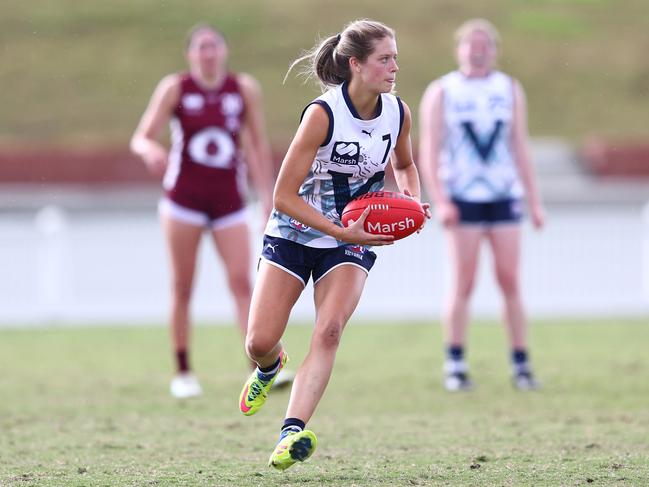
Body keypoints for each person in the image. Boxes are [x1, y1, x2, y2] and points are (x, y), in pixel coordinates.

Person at [237, 19, 430, 470]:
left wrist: (413, 203)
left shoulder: (398, 113)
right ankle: (270, 367)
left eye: (395, 57)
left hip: (350, 240)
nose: (395, 67)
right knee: (258, 341)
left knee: (329, 330)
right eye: (385, 59)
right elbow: (282, 196)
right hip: (293, 229)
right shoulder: (322, 115)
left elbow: (405, 164)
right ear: (356, 64)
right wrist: (339, 229)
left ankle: (290, 433)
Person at [130, 24, 293, 399]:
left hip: (228, 201)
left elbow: (255, 143)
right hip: (182, 201)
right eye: (201, 47)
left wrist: (267, 194)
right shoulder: (176, 88)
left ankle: (261, 366)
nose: (208, 53)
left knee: (241, 281)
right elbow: (141, 136)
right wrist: (149, 150)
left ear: (225, 50)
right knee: (182, 285)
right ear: (191, 54)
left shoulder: (243, 89)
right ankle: (183, 371)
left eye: (214, 46)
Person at [418, 19, 545, 392]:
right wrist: (440, 199)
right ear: (459, 49)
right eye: (470, 44)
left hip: (504, 195)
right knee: (463, 282)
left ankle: (521, 364)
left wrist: (534, 201)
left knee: (509, 280)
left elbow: (519, 145)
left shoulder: (508, 89)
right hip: (463, 198)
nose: (477, 50)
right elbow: (430, 149)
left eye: (484, 45)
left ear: (494, 50)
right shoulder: (443, 90)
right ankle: (455, 362)